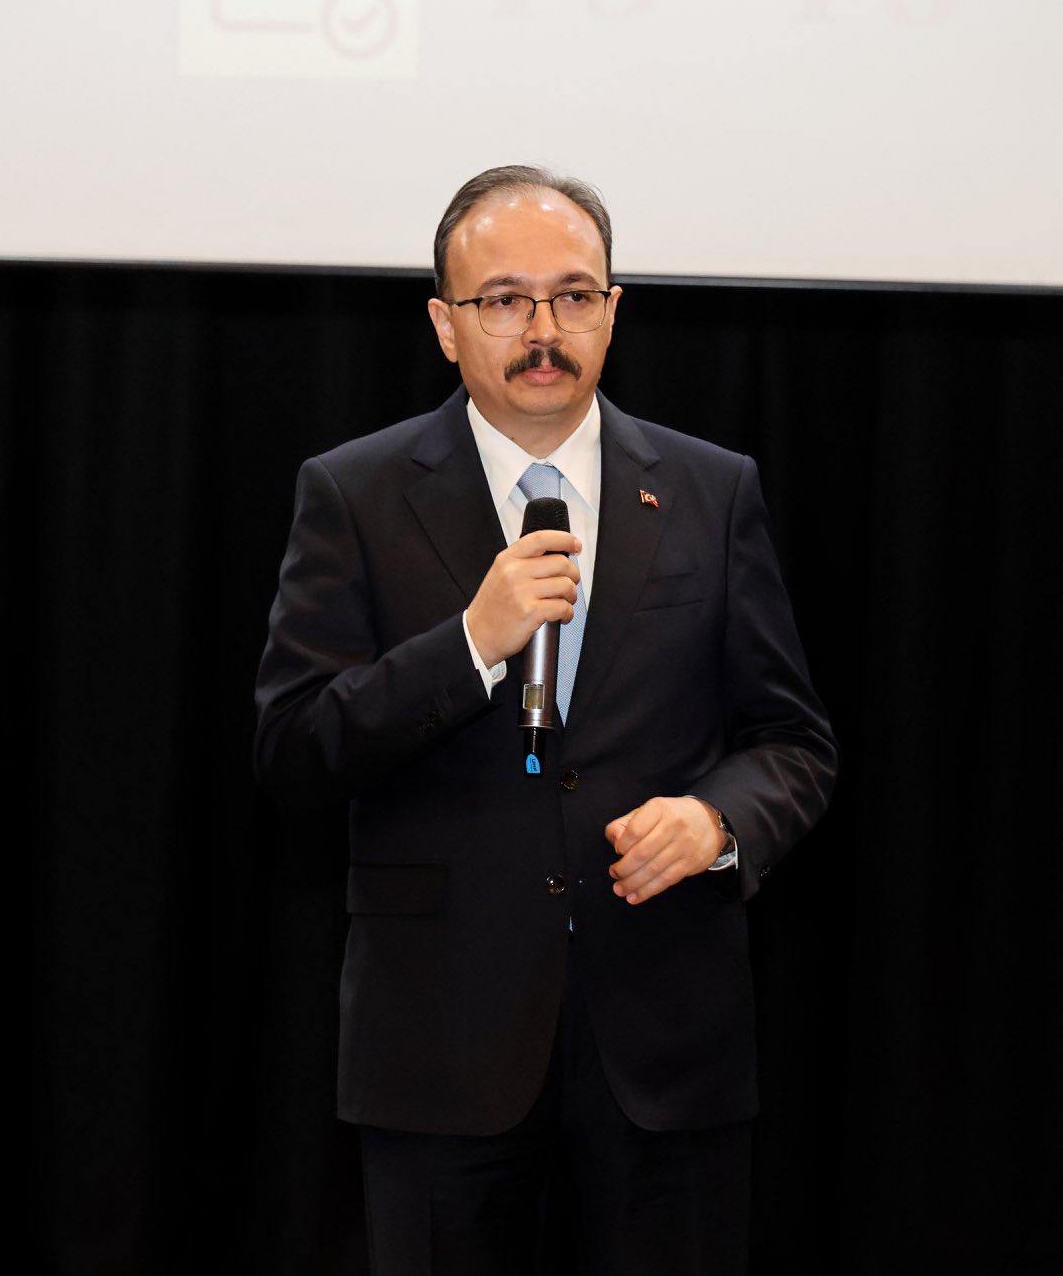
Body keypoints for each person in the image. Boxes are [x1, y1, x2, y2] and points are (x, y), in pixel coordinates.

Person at [253, 166, 837, 1275]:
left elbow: (792, 743)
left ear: (613, 310)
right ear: (444, 325)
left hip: (664, 1034)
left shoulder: (711, 490)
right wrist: (472, 641)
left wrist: (717, 823)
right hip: (441, 1038)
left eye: (573, 296)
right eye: (504, 300)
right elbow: (293, 749)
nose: (542, 330)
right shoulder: (354, 493)